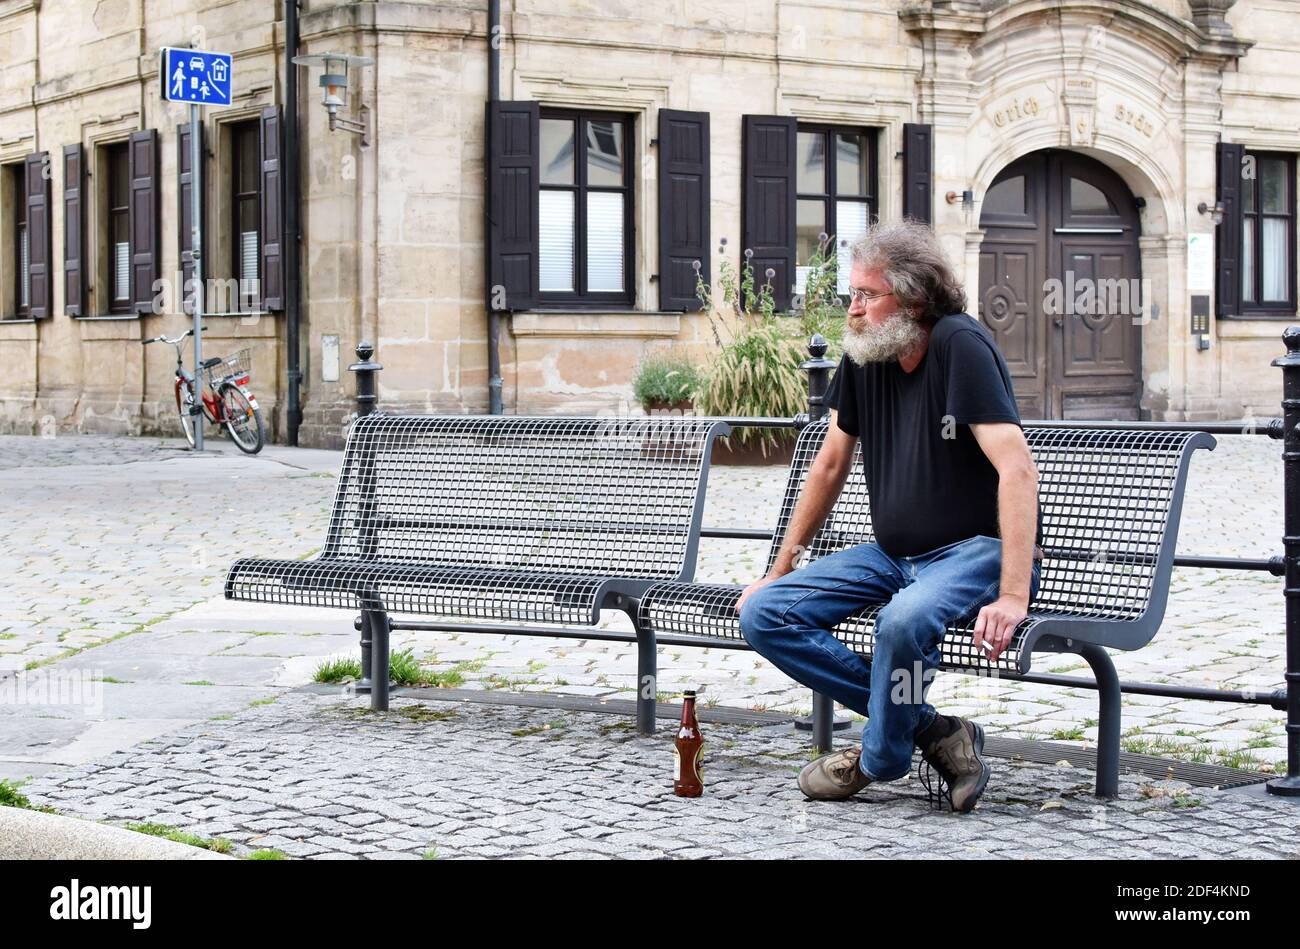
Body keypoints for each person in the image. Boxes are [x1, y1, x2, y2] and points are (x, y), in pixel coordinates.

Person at [736, 219, 1042, 813]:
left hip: (972, 549)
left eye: (866, 295)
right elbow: (828, 467)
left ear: (914, 298)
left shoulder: (960, 346)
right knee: (765, 614)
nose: (852, 310)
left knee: (902, 624)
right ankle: (934, 731)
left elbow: (1018, 470)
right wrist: (780, 569)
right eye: (851, 293)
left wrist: (1012, 596)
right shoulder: (864, 354)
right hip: (891, 554)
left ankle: (880, 759)